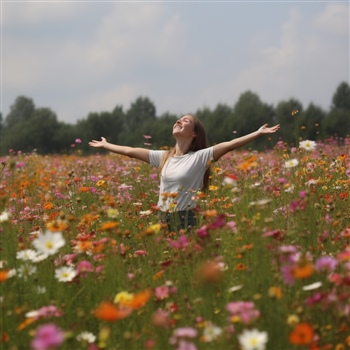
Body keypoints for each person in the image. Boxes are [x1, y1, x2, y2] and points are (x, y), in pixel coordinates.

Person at [89, 114, 280, 231]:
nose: (179, 120)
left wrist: (257, 133)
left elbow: (230, 145)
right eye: (178, 119)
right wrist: (106, 145)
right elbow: (131, 152)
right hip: (162, 217)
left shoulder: (200, 157)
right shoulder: (164, 157)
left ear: (194, 133)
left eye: (185, 120)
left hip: (185, 218)